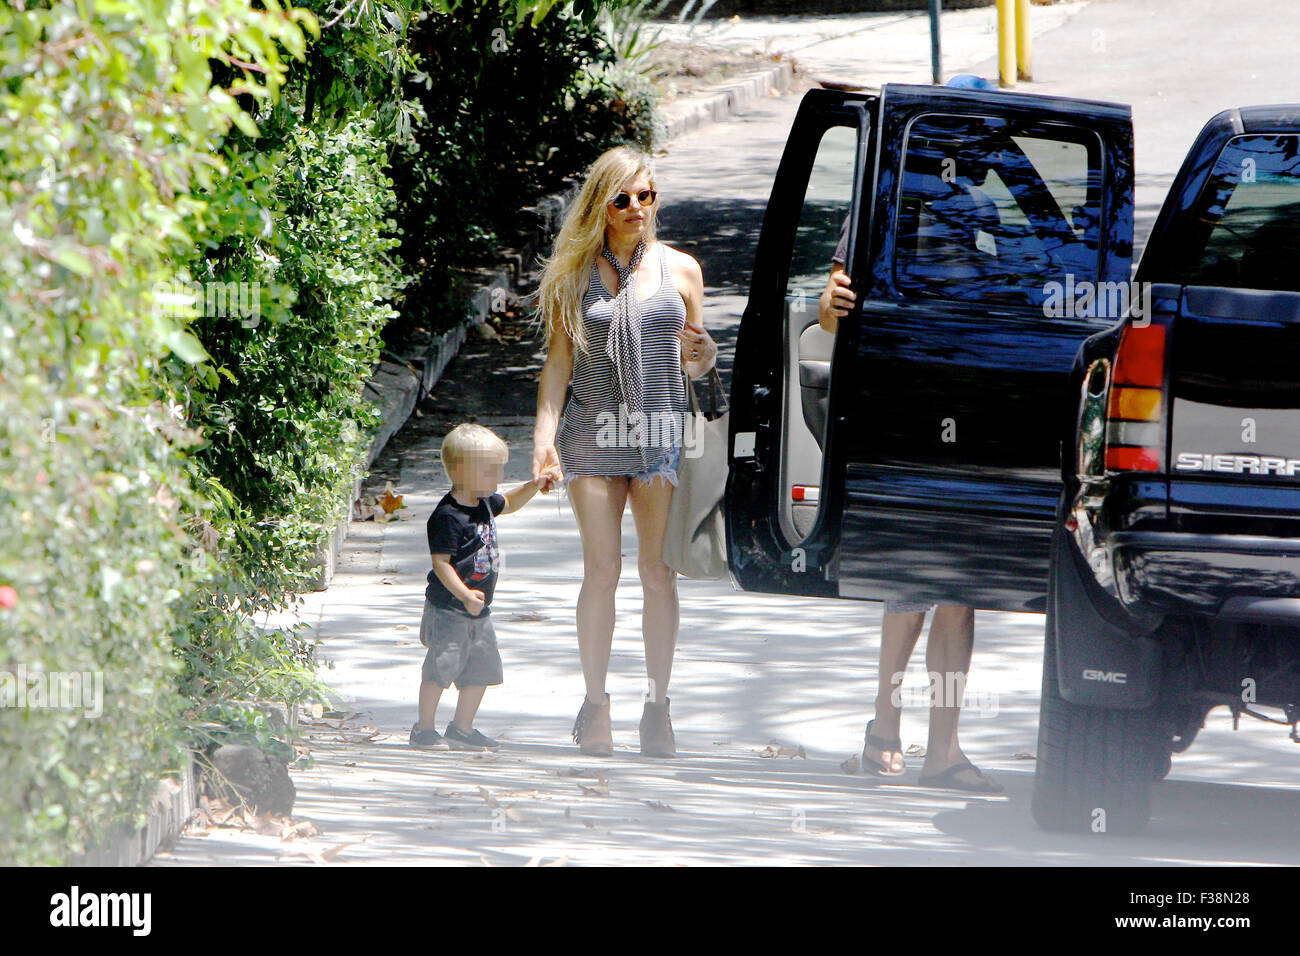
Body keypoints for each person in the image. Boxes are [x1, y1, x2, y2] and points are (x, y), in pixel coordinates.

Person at [532, 145, 716, 757]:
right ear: (601, 206)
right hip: (590, 428)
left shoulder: (680, 270)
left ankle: (659, 705)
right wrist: (542, 440)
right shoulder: (574, 275)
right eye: (623, 198)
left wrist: (704, 356)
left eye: (647, 195)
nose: (637, 207)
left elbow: (696, 361)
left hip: (661, 432)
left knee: (658, 573)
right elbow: (559, 363)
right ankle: (596, 703)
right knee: (602, 571)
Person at [818, 213, 1002, 793]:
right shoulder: (881, 203)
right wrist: (837, 300)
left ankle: (942, 749)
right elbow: (830, 314)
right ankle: (885, 731)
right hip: (902, 404)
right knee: (909, 583)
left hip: (970, 409)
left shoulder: (979, 202)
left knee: (960, 591)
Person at [409, 423, 549, 751]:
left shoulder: (483, 501)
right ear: (461, 471)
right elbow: (441, 564)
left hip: (478, 610)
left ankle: (462, 727)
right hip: (449, 608)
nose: (497, 480)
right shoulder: (447, 516)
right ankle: (424, 729)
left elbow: (510, 502)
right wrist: (464, 595)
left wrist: (534, 484)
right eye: (490, 472)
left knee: (481, 669)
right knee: (440, 669)